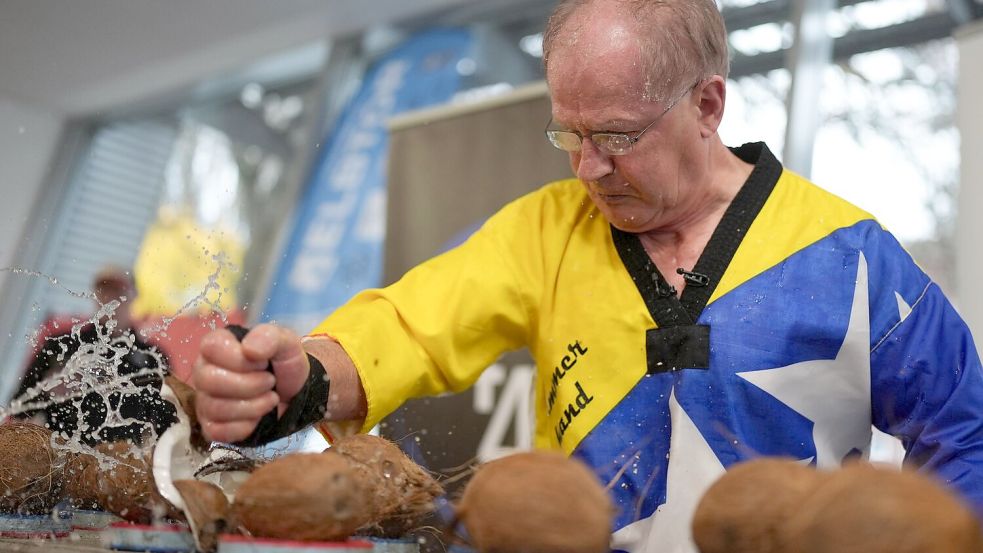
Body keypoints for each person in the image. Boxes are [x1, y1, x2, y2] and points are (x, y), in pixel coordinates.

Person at [193, 0, 983, 550]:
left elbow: (963, 431)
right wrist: (296, 378)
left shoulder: (848, 255)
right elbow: (407, 326)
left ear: (706, 105)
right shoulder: (545, 229)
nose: (588, 167)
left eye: (615, 134)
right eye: (566, 133)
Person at [14, 266, 176, 446]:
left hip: (120, 464)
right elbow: (19, 406)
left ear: (133, 297)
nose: (110, 301)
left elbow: (168, 423)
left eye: (118, 294)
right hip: (62, 454)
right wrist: (48, 391)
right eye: (104, 292)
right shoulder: (62, 345)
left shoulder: (152, 359)